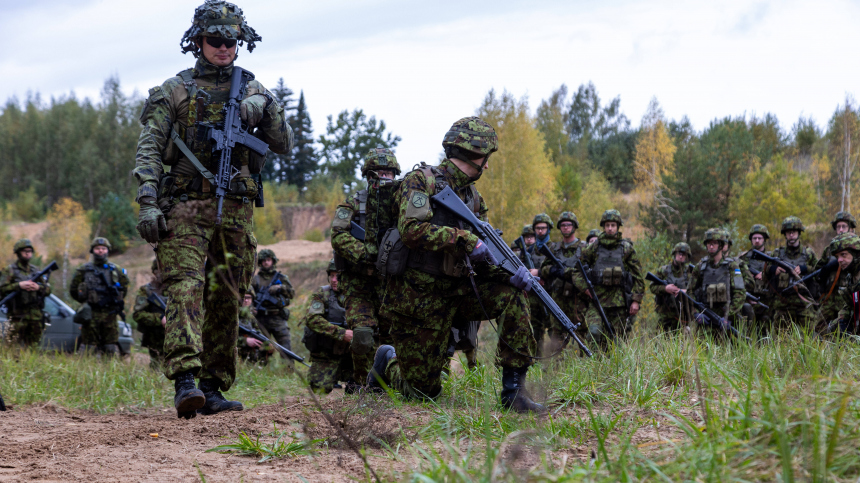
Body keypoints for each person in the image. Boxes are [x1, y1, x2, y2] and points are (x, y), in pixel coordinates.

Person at [132, 0, 293, 418]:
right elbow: (149, 146)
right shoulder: (175, 90)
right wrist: (147, 200)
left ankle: (213, 385)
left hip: (236, 210)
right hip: (185, 205)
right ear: (197, 41)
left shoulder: (254, 89)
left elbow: (285, 143)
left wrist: (264, 108)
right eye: (215, 40)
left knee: (227, 295)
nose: (224, 47)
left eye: (231, 41)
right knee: (185, 287)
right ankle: (185, 380)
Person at [370, 116, 543, 413]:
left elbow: (485, 255)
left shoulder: (475, 198)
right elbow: (411, 230)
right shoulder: (420, 181)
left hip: (459, 292)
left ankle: (514, 394)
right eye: (485, 158)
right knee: (422, 394)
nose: (487, 166)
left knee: (513, 295)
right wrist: (463, 239)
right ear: (471, 153)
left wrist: (512, 273)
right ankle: (388, 359)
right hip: (418, 300)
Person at [330, 147, 401, 386]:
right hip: (358, 282)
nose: (384, 177)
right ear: (369, 175)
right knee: (362, 334)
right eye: (379, 172)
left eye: (388, 173)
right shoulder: (352, 203)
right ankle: (361, 385)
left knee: (393, 336)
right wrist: (367, 253)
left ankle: (388, 383)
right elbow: (338, 235)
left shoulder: (402, 205)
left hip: (391, 281)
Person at [572, 210, 644, 349]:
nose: (610, 228)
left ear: (618, 226)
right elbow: (577, 271)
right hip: (596, 301)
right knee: (594, 332)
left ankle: (612, 369)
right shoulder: (594, 247)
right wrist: (585, 288)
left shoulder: (626, 248)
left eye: (613, 225)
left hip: (619, 303)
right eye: (607, 225)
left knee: (616, 342)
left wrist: (636, 300)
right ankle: (593, 365)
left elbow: (638, 276)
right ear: (603, 227)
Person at [302, 260, 356, 394]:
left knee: (358, 389)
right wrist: (341, 333)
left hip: (353, 354)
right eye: (331, 276)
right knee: (319, 388)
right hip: (327, 353)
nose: (334, 280)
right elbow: (312, 319)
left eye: (337, 276)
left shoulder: (357, 295)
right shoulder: (322, 294)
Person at [70, 237, 129, 356]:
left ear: (108, 250)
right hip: (91, 314)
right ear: (92, 251)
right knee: (89, 348)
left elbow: (124, 288)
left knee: (110, 347)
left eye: (103, 248)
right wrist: (85, 301)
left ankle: (109, 373)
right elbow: (73, 289)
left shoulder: (116, 270)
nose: (101, 251)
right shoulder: (83, 270)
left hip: (110, 314)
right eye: (97, 249)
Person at [540, 211, 587, 349]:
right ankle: (557, 366)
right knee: (557, 333)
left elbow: (588, 271)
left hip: (578, 298)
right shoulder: (553, 249)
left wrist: (568, 273)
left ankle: (583, 364)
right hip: (558, 297)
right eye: (563, 225)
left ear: (574, 226)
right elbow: (543, 269)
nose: (566, 227)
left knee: (582, 332)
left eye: (569, 225)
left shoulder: (584, 248)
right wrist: (553, 270)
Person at [689, 229, 747, 336]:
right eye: (709, 244)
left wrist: (729, 315)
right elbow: (690, 292)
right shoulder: (700, 267)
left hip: (727, 321)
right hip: (705, 318)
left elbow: (740, 293)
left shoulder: (732, 266)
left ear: (721, 246)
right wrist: (696, 313)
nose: (711, 246)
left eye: (714, 243)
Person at [765, 217, 818, 331]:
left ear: (799, 233)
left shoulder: (808, 253)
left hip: (804, 303)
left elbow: (819, 271)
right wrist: (774, 269)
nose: (791, 234)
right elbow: (764, 272)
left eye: (794, 232)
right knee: (780, 341)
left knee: (810, 339)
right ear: (785, 234)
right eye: (788, 232)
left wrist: (805, 268)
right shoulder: (777, 253)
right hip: (782, 304)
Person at [0, 239, 51, 347]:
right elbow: (2, 288)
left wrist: (38, 287)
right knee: (11, 348)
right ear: (18, 253)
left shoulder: (36, 270)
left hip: (35, 317)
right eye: (24, 251)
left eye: (29, 251)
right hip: (17, 316)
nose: (28, 253)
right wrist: (19, 285)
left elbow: (48, 290)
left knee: (32, 349)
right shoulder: (10, 270)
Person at [250, 249, 295, 363]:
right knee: (261, 347)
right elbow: (248, 296)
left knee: (285, 346)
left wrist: (280, 288)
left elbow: (292, 293)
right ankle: (261, 371)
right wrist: (251, 308)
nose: (266, 263)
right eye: (263, 260)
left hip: (277, 317)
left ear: (273, 261)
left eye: (268, 260)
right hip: (260, 317)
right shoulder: (255, 279)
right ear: (260, 262)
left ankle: (288, 371)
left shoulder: (281, 277)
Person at [816, 212, 857, 329]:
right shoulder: (829, 249)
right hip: (830, 296)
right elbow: (818, 272)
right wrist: (826, 269)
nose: (841, 230)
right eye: (838, 227)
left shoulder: (856, 248)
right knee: (820, 327)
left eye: (844, 226)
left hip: (848, 296)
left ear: (851, 228)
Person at [649, 243, 694, 333]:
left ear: (687, 256)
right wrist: (665, 289)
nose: (681, 256)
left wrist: (686, 291)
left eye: (683, 254)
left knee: (682, 344)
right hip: (665, 315)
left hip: (683, 317)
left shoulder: (690, 273)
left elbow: (697, 291)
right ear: (674, 254)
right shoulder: (663, 270)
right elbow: (652, 287)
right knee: (661, 343)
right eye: (679, 254)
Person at [132, 260, 167, 369]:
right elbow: (138, 314)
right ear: (154, 272)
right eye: (160, 270)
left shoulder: (181, 289)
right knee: (158, 369)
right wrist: (160, 318)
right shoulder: (147, 290)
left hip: (180, 339)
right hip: (156, 340)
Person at [738, 224, 772, 332]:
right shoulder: (743, 258)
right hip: (748, 298)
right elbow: (736, 279)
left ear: (764, 239)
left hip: (767, 300)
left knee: (766, 330)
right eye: (754, 238)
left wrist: (765, 275)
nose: (757, 240)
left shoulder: (771, 257)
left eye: (759, 238)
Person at [827, 233, 860, 335]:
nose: (839, 260)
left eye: (843, 255)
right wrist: (840, 321)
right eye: (837, 256)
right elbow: (850, 306)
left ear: (856, 254)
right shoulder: (851, 277)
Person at [237, 287, 274, 364]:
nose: (246, 300)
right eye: (243, 297)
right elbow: (223, 337)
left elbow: (257, 332)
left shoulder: (250, 316)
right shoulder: (231, 314)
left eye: (249, 298)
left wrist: (268, 343)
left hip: (246, 352)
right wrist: (245, 341)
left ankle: (256, 368)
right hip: (232, 350)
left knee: (266, 348)